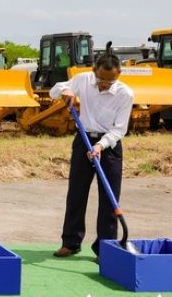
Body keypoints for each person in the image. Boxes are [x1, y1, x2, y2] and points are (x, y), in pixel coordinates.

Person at [51, 53, 133, 261]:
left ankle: (106, 247)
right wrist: (66, 90)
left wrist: (100, 145)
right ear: (94, 71)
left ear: (119, 74)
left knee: (109, 196)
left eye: (110, 81)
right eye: (101, 79)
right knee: (76, 193)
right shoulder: (83, 80)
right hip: (83, 140)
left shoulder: (125, 94)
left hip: (109, 145)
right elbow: (54, 91)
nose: (104, 84)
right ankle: (71, 242)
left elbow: (120, 129)